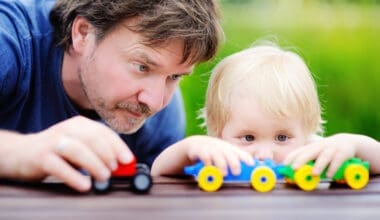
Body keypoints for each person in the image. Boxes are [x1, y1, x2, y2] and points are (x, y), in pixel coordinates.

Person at [0, 0, 223, 192]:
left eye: (174, 76)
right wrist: (21, 152)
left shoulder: (163, 116)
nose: (155, 102)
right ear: (83, 33)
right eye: (142, 67)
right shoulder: (10, 39)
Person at [151, 43, 380, 178]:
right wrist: (189, 148)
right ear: (218, 131)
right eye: (248, 137)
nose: (264, 154)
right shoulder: (218, 157)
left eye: (282, 137)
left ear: (307, 131)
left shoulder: (311, 154)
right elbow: (157, 171)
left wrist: (354, 144)